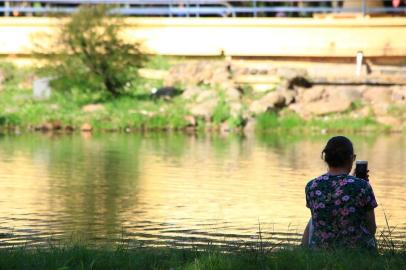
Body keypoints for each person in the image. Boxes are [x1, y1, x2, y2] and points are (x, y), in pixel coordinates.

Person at [302, 136, 378, 249]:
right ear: (352, 158)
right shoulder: (362, 186)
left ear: (326, 158)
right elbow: (371, 228)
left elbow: (322, 216)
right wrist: (356, 182)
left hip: (321, 250)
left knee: (314, 218)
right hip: (356, 251)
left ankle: (304, 249)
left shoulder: (312, 186)